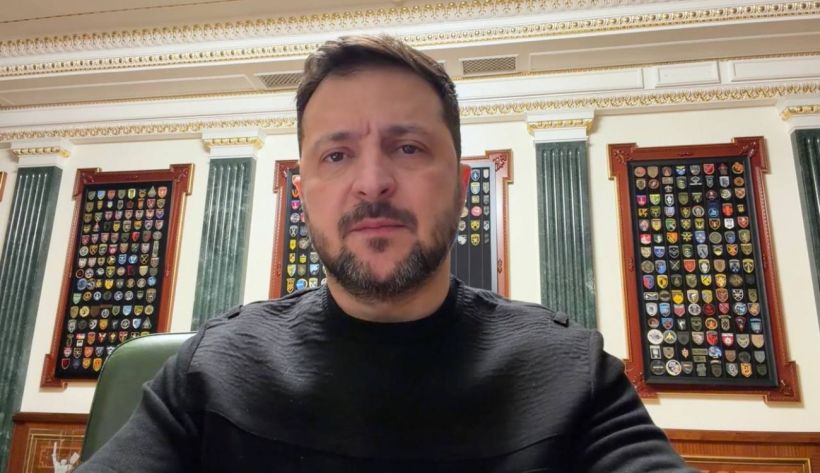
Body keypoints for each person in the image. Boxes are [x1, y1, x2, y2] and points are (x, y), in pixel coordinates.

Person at [77, 35, 695, 472]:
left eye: (408, 148)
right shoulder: (212, 367)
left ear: (461, 185)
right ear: (304, 194)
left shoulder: (571, 372)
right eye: (336, 155)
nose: (372, 183)